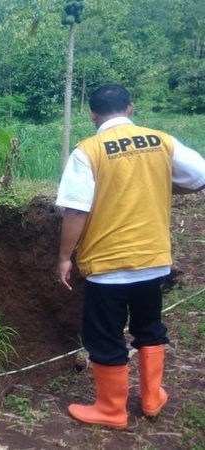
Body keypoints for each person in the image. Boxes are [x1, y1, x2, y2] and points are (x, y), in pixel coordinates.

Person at [56, 84, 205, 430]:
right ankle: (152, 399)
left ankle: (111, 410)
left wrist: (65, 256)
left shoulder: (88, 151)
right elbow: (199, 177)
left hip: (108, 266)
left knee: (105, 335)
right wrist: (160, 181)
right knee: (149, 327)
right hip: (152, 261)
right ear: (130, 108)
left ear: (92, 114)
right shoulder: (160, 141)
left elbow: (76, 210)